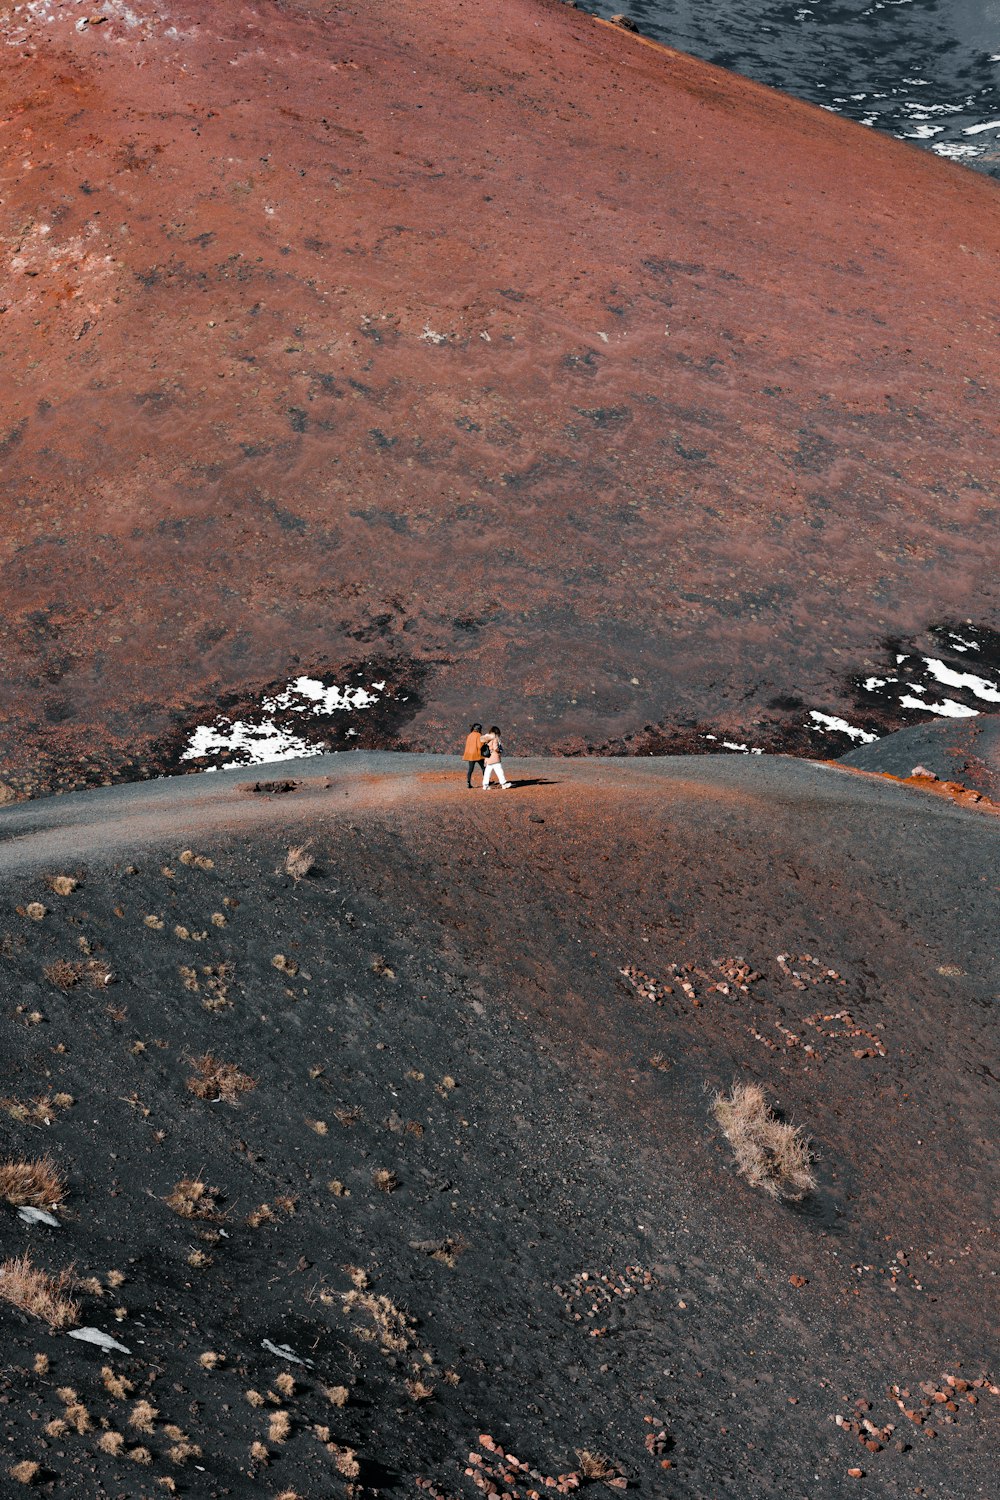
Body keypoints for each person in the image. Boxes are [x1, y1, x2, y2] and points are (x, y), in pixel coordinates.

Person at [462, 722, 485, 788]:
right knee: (484, 768)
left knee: (470, 770)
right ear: (479, 729)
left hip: (470, 755)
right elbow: (479, 745)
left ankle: (468, 783)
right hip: (477, 755)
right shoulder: (478, 735)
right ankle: (485, 782)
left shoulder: (470, 735)